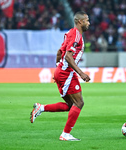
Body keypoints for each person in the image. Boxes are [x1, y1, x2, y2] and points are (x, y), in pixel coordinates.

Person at [30, 11, 91, 141]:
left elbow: (59, 52)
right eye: (86, 20)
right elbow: (68, 56)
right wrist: (81, 73)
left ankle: (41, 108)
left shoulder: (70, 33)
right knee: (79, 102)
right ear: (80, 21)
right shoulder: (76, 36)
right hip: (67, 73)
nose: (88, 23)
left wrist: (58, 68)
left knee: (71, 105)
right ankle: (65, 134)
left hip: (62, 72)